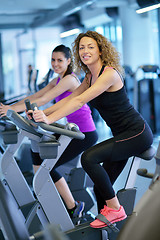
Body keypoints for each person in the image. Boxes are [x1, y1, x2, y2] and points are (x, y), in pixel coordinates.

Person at [30, 31, 153, 229]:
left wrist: (49, 118)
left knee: (89, 158)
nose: (85, 51)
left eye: (90, 47)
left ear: (100, 50)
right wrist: (40, 113)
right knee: (100, 188)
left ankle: (115, 209)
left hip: (136, 133)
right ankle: (111, 230)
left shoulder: (109, 74)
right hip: (122, 135)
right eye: (81, 47)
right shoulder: (89, 77)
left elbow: (80, 101)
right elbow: (70, 98)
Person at [0, 44, 98, 224]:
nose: (55, 64)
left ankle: (74, 207)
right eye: (53, 60)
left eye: (60, 60)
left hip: (85, 133)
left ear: (69, 61)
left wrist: (10, 110)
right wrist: (10, 108)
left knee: (48, 167)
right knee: (38, 157)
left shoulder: (70, 79)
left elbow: (44, 100)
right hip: (71, 130)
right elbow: (36, 96)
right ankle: (45, 198)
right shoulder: (57, 79)